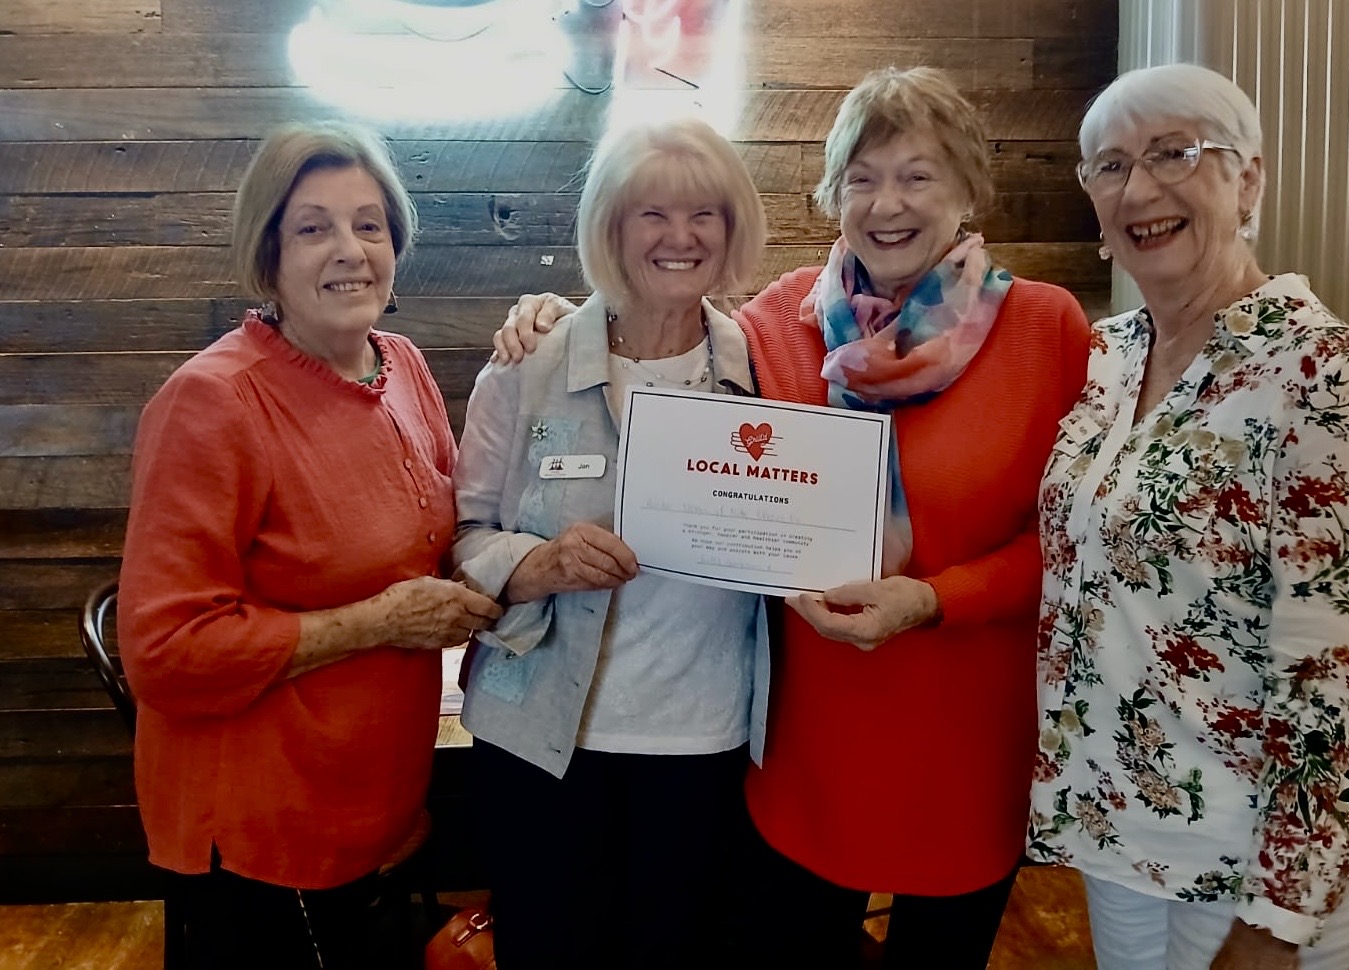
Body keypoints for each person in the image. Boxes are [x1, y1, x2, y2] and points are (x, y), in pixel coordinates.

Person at [493, 67, 1093, 969]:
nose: (887, 203)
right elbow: (657, 339)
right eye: (863, 178)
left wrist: (935, 600)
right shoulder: (776, 324)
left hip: (963, 744)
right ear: (833, 194)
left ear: (968, 188)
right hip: (809, 747)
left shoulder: (1047, 330)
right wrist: (552, 315)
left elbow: (1074, 550)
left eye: (918, 175)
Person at [1028, 63, 1349, 969]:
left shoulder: (1322, 377)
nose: (1140, 189)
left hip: (1278, 864)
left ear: (1248, 179)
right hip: (1130, 830)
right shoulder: (1107, 358)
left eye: (1174, 153)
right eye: (1111, 165)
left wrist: (1275, 925)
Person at [117, 122, 503, 969]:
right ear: (268, 256)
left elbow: (445, 538)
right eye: (312, 228)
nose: (349, 251)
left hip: (376, 813)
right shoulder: (213, 402)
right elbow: (164, 652)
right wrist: (377, 623)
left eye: (369, 225)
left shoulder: (401, 366)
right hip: (263, 832)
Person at [450, 116, 771, 968]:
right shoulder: (528, 366)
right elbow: (462, 539)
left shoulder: (766, 369)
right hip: (540, 743)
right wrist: (538, 566)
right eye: (651, 214)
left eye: (703, 214)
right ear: (611, 227)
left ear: (731, 228)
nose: (679, 237)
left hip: (704, 745)